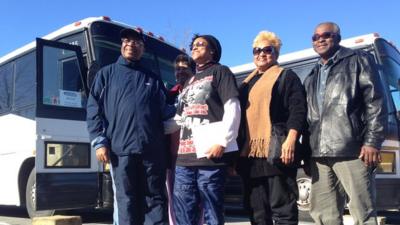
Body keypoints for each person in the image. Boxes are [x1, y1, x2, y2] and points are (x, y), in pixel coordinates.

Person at [86, 28, 173, 225]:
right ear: (121, 45)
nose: (131, 45)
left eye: (136, 42)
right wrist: (99, 142)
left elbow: (166, 111)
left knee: (156, 199)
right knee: (126, 202)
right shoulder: (105, 75)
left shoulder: (153, 78)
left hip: (152, 152)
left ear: (143, 48)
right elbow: (93, 111)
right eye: (127, 40)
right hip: (120, 151)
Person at [304, 22, 387, 225]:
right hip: (319, 153)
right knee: (324, 214)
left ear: (337, 38)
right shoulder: (312, 75)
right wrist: (306, 153)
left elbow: (375, 102)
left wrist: (373, 141)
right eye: (315, 37)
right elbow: (308, 118)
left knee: (362, 211)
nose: (320, 39)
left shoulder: (358, 60)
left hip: (352, 149)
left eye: (326, 35)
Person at [236, 31, 307, 225]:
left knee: (283, 210)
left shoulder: (286, 76)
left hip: (276, 151)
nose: (261, 53)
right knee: (257, 212)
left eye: (268, 49)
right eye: (256, 50)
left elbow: (298, 110)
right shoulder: (245, 84)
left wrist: (291, 140)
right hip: (249, 156)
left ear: (276, 53)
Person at [172, 34, 241, 225]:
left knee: (212, 211)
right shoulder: (189, 81)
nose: (195, 47)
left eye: (200, 44)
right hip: (184, 160)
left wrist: (223, 141)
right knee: (184, 212)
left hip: (209, 156)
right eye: (193, 45)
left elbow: (232, 107)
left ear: (213, 51)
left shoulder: (221, 72)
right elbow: (178, 119)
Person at [166, 54, 195, 225]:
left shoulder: (201, 91)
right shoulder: (170, 95)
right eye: (177, 69)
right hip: (173, 157)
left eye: (184, 69)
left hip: (195, 155)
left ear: (193, 70)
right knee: (176, 201)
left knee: (195, 203)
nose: (180, 72)